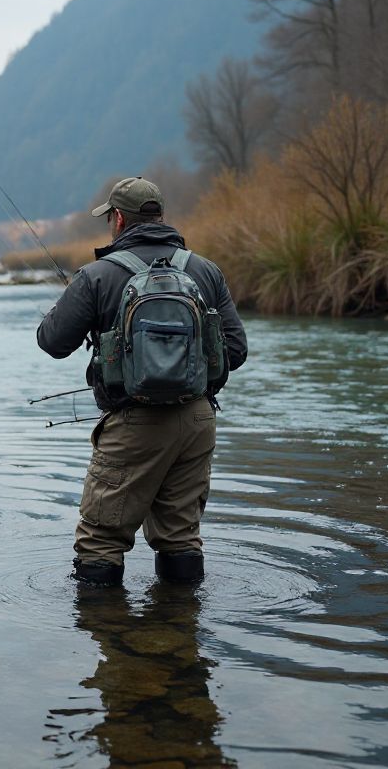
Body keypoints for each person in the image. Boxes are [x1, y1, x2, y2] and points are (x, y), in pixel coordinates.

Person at [37, 176, 247, 587]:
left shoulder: (97, 275)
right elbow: (235, 352)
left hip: (133, 423)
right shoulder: (205, 270)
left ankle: (108, 637)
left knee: (100, 539)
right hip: (197, 421)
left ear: (118, 219)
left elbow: (52, 343)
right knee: (181, 537)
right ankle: (179, 635)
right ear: (160, 215)